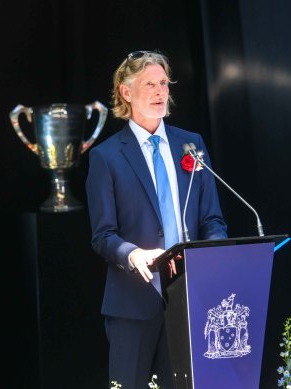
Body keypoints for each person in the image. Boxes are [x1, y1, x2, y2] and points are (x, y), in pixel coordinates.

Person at [85, 50, 228, 389]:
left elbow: (213, 221)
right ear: (126, 92)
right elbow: (103, 235)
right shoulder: (106, 157)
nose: (160, 91)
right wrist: (133, 254)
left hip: (189, 299)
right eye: (149, 83)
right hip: (132, 304)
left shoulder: (191, 145)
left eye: (164, 82)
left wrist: (217, 257)